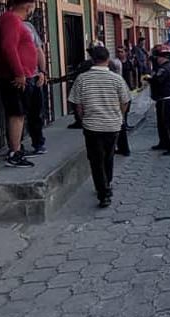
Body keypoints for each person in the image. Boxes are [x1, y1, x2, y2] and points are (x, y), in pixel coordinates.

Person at [68, 46, 131, 208]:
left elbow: (78, 104)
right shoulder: (117, 79)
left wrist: (83, 119)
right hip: (113, 125)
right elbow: (125, 101)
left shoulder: (82, 79)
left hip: (92, 126)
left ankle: (103, 193)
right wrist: (118, 116)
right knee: (108, 156)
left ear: (92, 60)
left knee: (96, 160)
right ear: (108, 59)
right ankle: (107, 184)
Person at [0, 0, 38, 168]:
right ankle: (14, 153)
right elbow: (8, 47)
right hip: (15, 77)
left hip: (16, 75)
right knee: (17, 114)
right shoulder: (11, 19)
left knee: (18, 114)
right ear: (27, 6)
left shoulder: (10, 20)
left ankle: (16, 148)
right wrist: (19, 72)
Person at [145, 46, 170, 156]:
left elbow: (157, 80)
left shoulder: (164, 68)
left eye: (158, 57)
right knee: (161, 123)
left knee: (166, 123)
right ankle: (164, 142)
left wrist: (148, 79)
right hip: (163, 99)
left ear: (163, 58)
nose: (157, 59)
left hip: (166, 99)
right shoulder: (165, 67)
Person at [22, 18, 48, 156]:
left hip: (35, 76)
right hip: (21, 77)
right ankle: (16, 148)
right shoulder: (9, 25)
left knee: (36, 113)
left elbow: (39, 50)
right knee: (18, 114)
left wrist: (42, 71)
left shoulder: (28, 26)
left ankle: (38, 143)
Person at [114, 46, 132, 157]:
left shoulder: (127, 63)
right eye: (118, 51)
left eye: (121, 51)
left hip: (125, 91)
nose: (120, 53)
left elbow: (132, 72)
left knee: (121, 122)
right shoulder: (115, 62)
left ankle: (124, 149)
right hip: (120, 92)